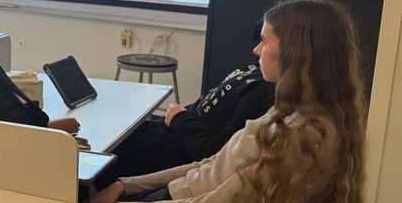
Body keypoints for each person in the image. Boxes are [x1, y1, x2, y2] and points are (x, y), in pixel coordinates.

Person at [77, 0, 365, 203]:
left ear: (298, 53)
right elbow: (210, 165)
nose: (256, 50)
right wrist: (124, 186)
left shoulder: (301, 137)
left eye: (265, 42)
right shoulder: (293, 110)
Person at [92, 26, 276, 190]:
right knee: (105, 132)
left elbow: (217, 155)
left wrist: (179, 119)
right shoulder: (255, 70)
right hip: (167, 133)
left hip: (170, 153)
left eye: (265, 42)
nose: (256, 49)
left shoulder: (263, 95)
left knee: (96, 154)